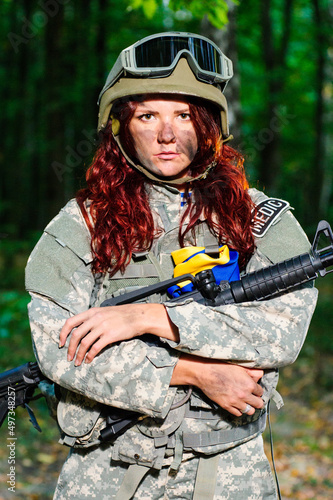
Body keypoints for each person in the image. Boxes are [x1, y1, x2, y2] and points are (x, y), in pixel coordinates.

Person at [25, 32, 318, 499]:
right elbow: (57, 346)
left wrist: (153, 317)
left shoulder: (257, 218)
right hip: (108, 474)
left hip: (231, 475)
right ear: (121, 129)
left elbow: (281, 331)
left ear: (208, 126)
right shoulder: (82, 223)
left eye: (183, 114)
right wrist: (191, 371)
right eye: (147, 116)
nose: (167, 134)